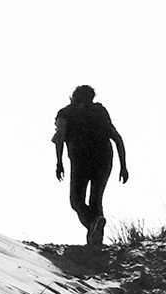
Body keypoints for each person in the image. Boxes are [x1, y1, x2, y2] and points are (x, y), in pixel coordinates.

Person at [52, 84, 128, 247]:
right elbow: (116, 137)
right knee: (95, 201)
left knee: (76, 201)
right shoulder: (100, 112)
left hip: (81, 160)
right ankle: (96, 236)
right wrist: (123, 165)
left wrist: (59, 163)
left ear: (73, 96)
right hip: (104, 159)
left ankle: (93, 227)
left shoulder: (65, 113)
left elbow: (59, 138)